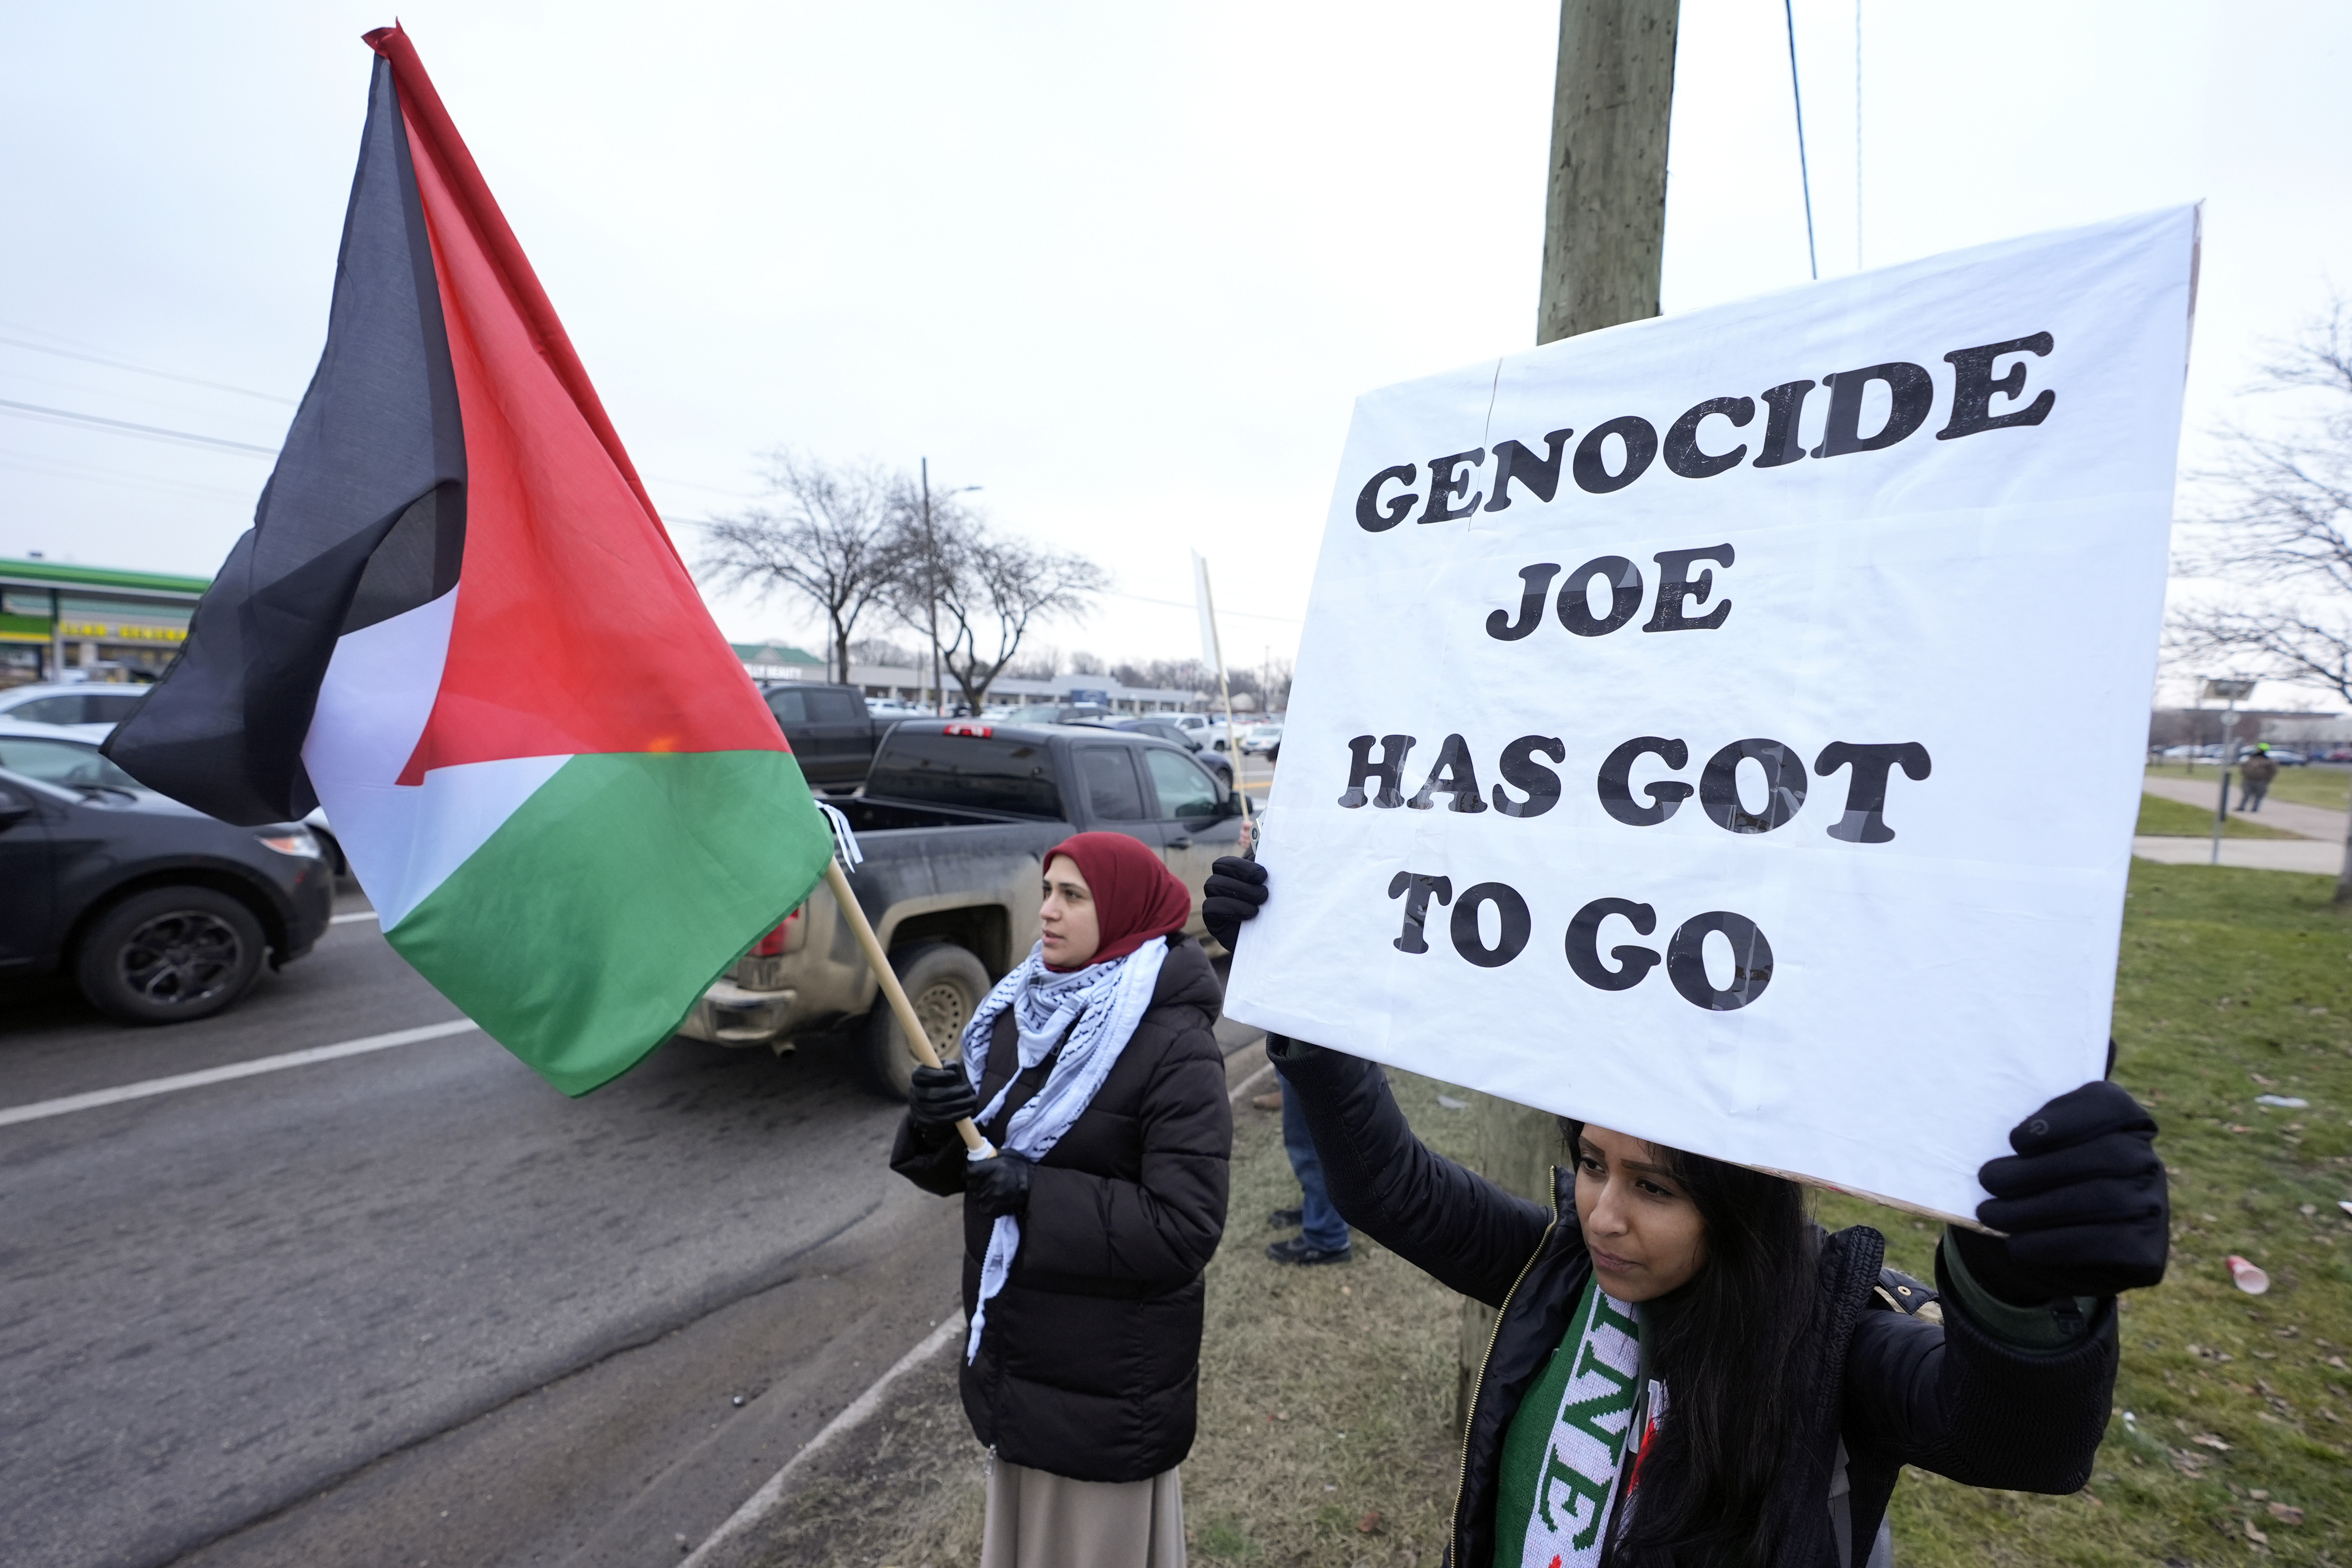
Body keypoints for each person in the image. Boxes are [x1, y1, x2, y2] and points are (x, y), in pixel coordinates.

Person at [1200, 856, 2167, 1568]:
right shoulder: (1562, 1273)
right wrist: (1302, 1004)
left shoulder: (1828, 1344)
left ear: (1742, 1207)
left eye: (1655, 1187)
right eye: (1591, 1164)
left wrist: (2022, 1286)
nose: (1601, 1215)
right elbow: (1389, 1187)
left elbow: (2016, 1442)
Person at [892, 832, 1232, 1568]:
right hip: (1021, 1362)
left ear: (1123, 910)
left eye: (1072, 895)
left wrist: (1035, 1193)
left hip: (1107, 1386)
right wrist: (934, 1121)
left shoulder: (1176, 1043)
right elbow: (973, 1166)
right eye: (1047, 890)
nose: (1047, 910)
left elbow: (1184, 1228)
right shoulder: (1021, 1007)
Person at [2238, 743, 2279, 812]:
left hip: (2261, 781)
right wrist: (2245, 773)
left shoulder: (2268, 761)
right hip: (2249, 780)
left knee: (2259, 796)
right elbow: (2243, 767)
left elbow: (2273, 771)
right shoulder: (2251, 759)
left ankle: (2255, 809)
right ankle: (2242, 807)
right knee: (2246, 794)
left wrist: (2267, 778)